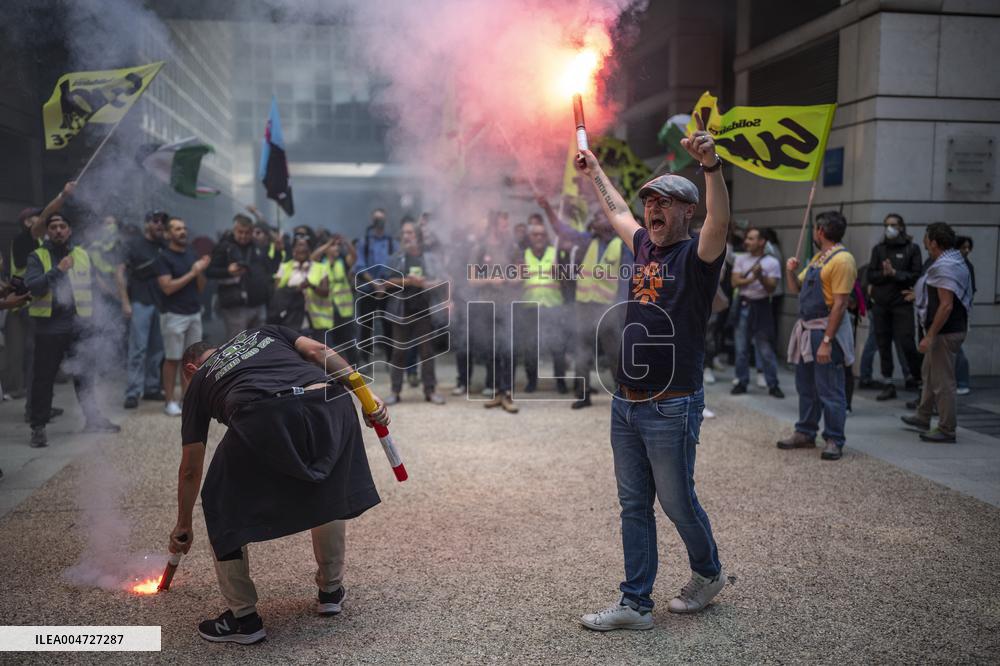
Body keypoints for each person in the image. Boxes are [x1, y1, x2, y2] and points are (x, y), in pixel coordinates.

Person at [575, 116, 729, 631]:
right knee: (634, 504)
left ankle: (708, 574)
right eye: (651, 201)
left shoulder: (698, 255)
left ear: (688, 210)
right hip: (627, 399)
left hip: (672, 402)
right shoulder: (642, 245)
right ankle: (635, 604)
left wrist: (710, 166)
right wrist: (595, 168)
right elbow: (616, 208)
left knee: (677, 500)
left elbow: (720, 225)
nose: (653, 208)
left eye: (665, 202)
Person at [169, 326, 387, 644]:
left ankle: (243, 619)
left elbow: (191, 469)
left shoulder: (200, 380)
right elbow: (319, 353)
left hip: (264, 414)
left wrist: (183, 524)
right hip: (330, 401)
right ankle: (330, 591)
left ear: (190, 368)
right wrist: (366, 397)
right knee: (326, 487)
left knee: (219, 499)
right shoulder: (261, 332)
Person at [23, 213, 120, 447]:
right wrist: (58, 269)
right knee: (43, 379)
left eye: (62, 226)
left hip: (79, 327)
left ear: (69, 231)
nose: (58, 230)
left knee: (85, 377)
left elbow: (92, 289)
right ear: (48, 232)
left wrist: (99, 319)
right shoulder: (38, 256)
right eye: (53, 226)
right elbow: (33, 287)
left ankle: (93, 418)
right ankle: (38, 427)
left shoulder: (82, 255)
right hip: (49, 329)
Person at [536, 196, 634, 409]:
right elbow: (561, 230)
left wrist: (621, 309)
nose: (595, 218)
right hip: (584, 307)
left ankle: (624, 396)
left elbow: (626, 282)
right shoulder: (587, 240)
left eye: (600, 215)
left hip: (608, 309)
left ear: (611, 221)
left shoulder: (622, 246)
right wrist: (547, 209)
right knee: (582, 352)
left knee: (615, 353)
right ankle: (582, 395)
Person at [778, 211, 857, 461]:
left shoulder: (842, 260)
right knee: (806, 386)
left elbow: (840, 304)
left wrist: (826, 341)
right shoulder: (818, 259)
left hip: (824, 332)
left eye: (815, 229)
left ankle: (834, 438)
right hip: (807, 330)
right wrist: (791, 271)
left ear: (820, 231)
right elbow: (796, 288)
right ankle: (805, 431)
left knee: (830, 389)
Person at [5, 182, 75, 417]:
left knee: (41, 363)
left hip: (31, 304)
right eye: (40, 220)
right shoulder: (24, 240)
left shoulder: (41, 245)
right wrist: (63, 196)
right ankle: (33, 409)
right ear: (29, 223)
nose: (48, 225)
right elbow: (46, 216)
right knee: (36, 362)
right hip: (24, 305)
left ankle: (40, 406)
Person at [900, 223, 973, 443]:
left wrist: (930, 335)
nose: (923, 242)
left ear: (933, 242)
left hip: (945, 333)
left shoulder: (945, 266)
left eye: (926, 238)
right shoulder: (952, 260)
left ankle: (947, 429)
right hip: (947, 330)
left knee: (943, 382)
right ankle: (923, 416)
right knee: (930, 375)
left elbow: (946, 305)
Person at [383, 219, 446, 405]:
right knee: (398, 353)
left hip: (424, 310)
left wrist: (426, 283)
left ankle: (430, 390)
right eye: (404, 233)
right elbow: (386, 282)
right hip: (401, 310)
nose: (406, 236)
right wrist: (409, 282)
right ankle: (395, 391)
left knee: (427, 352)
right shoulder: (397, 257)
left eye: (410, 233)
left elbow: (442, 280)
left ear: (418, 236)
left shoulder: (430, 257)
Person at [865, 213, 923, 401]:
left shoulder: (912, 249)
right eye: (886, 225)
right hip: (881, 304)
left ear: (901, 227)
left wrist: (895, 273)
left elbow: (916, 275)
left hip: (902, 304)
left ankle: (919, 380)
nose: (889, 228)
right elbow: (871, 275)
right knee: (883, 343)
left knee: (907, 342)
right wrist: (885, 273)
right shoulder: (879, 249)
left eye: (893, 224)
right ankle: (888, 383)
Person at [156, 218, 210, 416]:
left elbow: (201, 287)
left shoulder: (191, 254)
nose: (183, 232)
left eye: (184, 228)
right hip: (173, 314)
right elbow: (167, 288)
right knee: (172, 359)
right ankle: (169, 401)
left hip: (194, 312)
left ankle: (187, 400)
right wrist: (192, 272)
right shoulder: (164, 258)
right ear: (168, 234)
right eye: (177, 229)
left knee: (192, 359)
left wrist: (200, 271)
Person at [467, 211, 520, 413]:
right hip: (486, 305)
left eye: (507, 225)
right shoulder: (479, 248)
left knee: (508, 349)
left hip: (507, 305)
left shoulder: (513, 248)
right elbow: (472, 279)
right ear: (493, 226)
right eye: (502, 225)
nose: (506, 229)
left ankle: (507, 393)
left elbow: (520, 274)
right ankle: (497, 392)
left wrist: (507, 278)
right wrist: (490, 279)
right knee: (491, 350)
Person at [118, 210, 166, 409]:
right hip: (140, 301)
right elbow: (119, 273)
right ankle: (132, 392)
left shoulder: (165, 246)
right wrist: (125, 301)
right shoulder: (133, 244)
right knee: (138, 349)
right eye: (155, 221)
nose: (159, 225)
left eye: (163, 221)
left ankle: (152, 388)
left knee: (157, 350)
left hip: (161, 303)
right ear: (147, 223)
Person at [515, 218, 569, 394]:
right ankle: (532, 382)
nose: (538, 237)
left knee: (558, 346)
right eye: (535, 234)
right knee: (531, 347)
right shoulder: (523, 255)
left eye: (542, 234)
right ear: (529, 237)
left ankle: (560, 382)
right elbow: (516, 280)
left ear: (547, 236)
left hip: (553, 306)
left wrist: (559, 270)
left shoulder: (556, 254)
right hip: (530, 307)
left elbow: (569, 280)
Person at [730, 227, 783, 398]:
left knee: (765, 348)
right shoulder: (741, 259)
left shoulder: (772, 262)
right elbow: (734, 282)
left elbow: (771, 288)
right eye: (747, 238)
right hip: (744, 305)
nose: (747, 241)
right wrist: (752, 278)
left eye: (751, 239)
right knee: (741, 348)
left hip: (762, 306)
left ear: (762, 242)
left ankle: (773, 383)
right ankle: (741, 381)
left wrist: (761, 277)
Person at [206, 214, 273, 339]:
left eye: (247, 232)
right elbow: (209, 272)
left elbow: (266, 268)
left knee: (259, 344)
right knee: (238, 344)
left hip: (258, 304)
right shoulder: (224, 247)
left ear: (251, 232)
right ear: (234, 230)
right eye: (240, 232)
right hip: (236, 305)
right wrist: (228, 271)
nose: (243, 236)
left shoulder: (256, 246)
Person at [352, 209, 396, 365]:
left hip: (388, 290)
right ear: (372, 220)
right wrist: (374, 284)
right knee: (365, 327)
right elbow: (360, 266)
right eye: (377, 218)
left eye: (381, 218)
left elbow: (396, 264)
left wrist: (384, 284)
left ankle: (391, 360)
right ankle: (364, 360)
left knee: (389, 326)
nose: (379, 221)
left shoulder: (391, 242)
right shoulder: (364, 242)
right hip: (367, 290)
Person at [270, 238, 331, 339]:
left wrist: (311, 285)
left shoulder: (320, 267)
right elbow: (277, 291)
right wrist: (295, 289)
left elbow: (326, 292)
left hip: (315, 318)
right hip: (290, 317)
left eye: (304, 246)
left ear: (309, 250)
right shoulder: (284, 267)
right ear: (293, 250)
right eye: (298, 245)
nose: (301, 248)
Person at [954, 235, 975, 395]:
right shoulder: (959, 265)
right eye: (963, 247)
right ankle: (960, 381)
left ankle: (962, 381)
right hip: (957, 312)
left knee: (956, 348)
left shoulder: (965, 266)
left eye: (968, 247)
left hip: (958, 313)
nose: (966, 251)